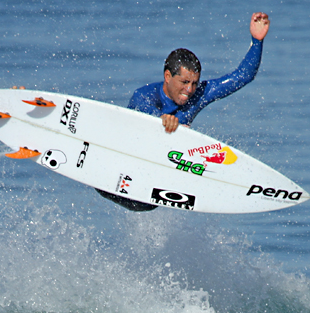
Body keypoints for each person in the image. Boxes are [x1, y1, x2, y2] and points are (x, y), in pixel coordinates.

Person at [96, 12, 271, 210]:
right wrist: (162, 120)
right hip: (124, 164)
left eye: (194, 83)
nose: (189, 90)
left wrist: (257, 41)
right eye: (184, 82)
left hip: (153, 183)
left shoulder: (199, 95)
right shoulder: (143, 95)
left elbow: (242, 77)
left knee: (148, 206)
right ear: (168, 76)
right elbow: (147, 111)